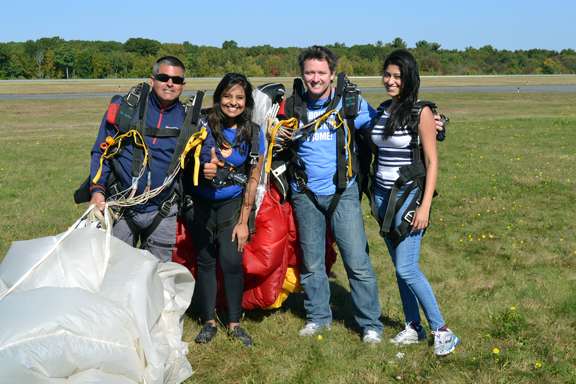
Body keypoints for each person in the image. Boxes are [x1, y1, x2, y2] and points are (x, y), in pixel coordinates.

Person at [282, 46, 384, 343]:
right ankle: (318, 317)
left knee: (357, 261)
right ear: (302, 74)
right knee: (312, 262)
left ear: (332, 75)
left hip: (343, 192)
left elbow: (384, 128)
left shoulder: (351, 104)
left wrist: (430, 123)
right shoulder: (291, 106)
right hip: (305, 194)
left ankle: (371, 324)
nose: (315, 78)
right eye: (309, 72)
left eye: (321, 73)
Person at [368, 49, 460, 356]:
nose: (391, 81)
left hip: (408, 197)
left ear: (409, 78)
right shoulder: (382, 110)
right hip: (382, 197)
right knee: (399, 267)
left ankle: (442, 331)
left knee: (407, 268)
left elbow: (433, 162)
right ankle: (412, 326)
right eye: (388, 75)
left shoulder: (420, 112)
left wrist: (425, 207)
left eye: (398, 76)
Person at [183, 73, 264, 347]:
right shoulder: (201, 126)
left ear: (247, 101)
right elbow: (185, 159)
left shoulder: (253, 133)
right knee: (205, 262)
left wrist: (244, 221)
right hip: (201, 206)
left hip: (232, 206)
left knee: (231, 262)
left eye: (239, 97)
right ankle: (208, 321)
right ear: (218, 98)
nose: (233, 102)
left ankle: (234, 322)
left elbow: (253, 178)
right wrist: (201, 168)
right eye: (228, 96)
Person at [88, 55, 187, 262]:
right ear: (152, 80)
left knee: (158, 279)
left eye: (176, 80)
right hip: (122, 208)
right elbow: (101, 152)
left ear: (183, 85)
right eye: (164, 77)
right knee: (115, 272)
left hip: (163, 211)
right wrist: (97, 191)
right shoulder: (126, 110)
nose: (170, 83)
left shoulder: (188, 120)